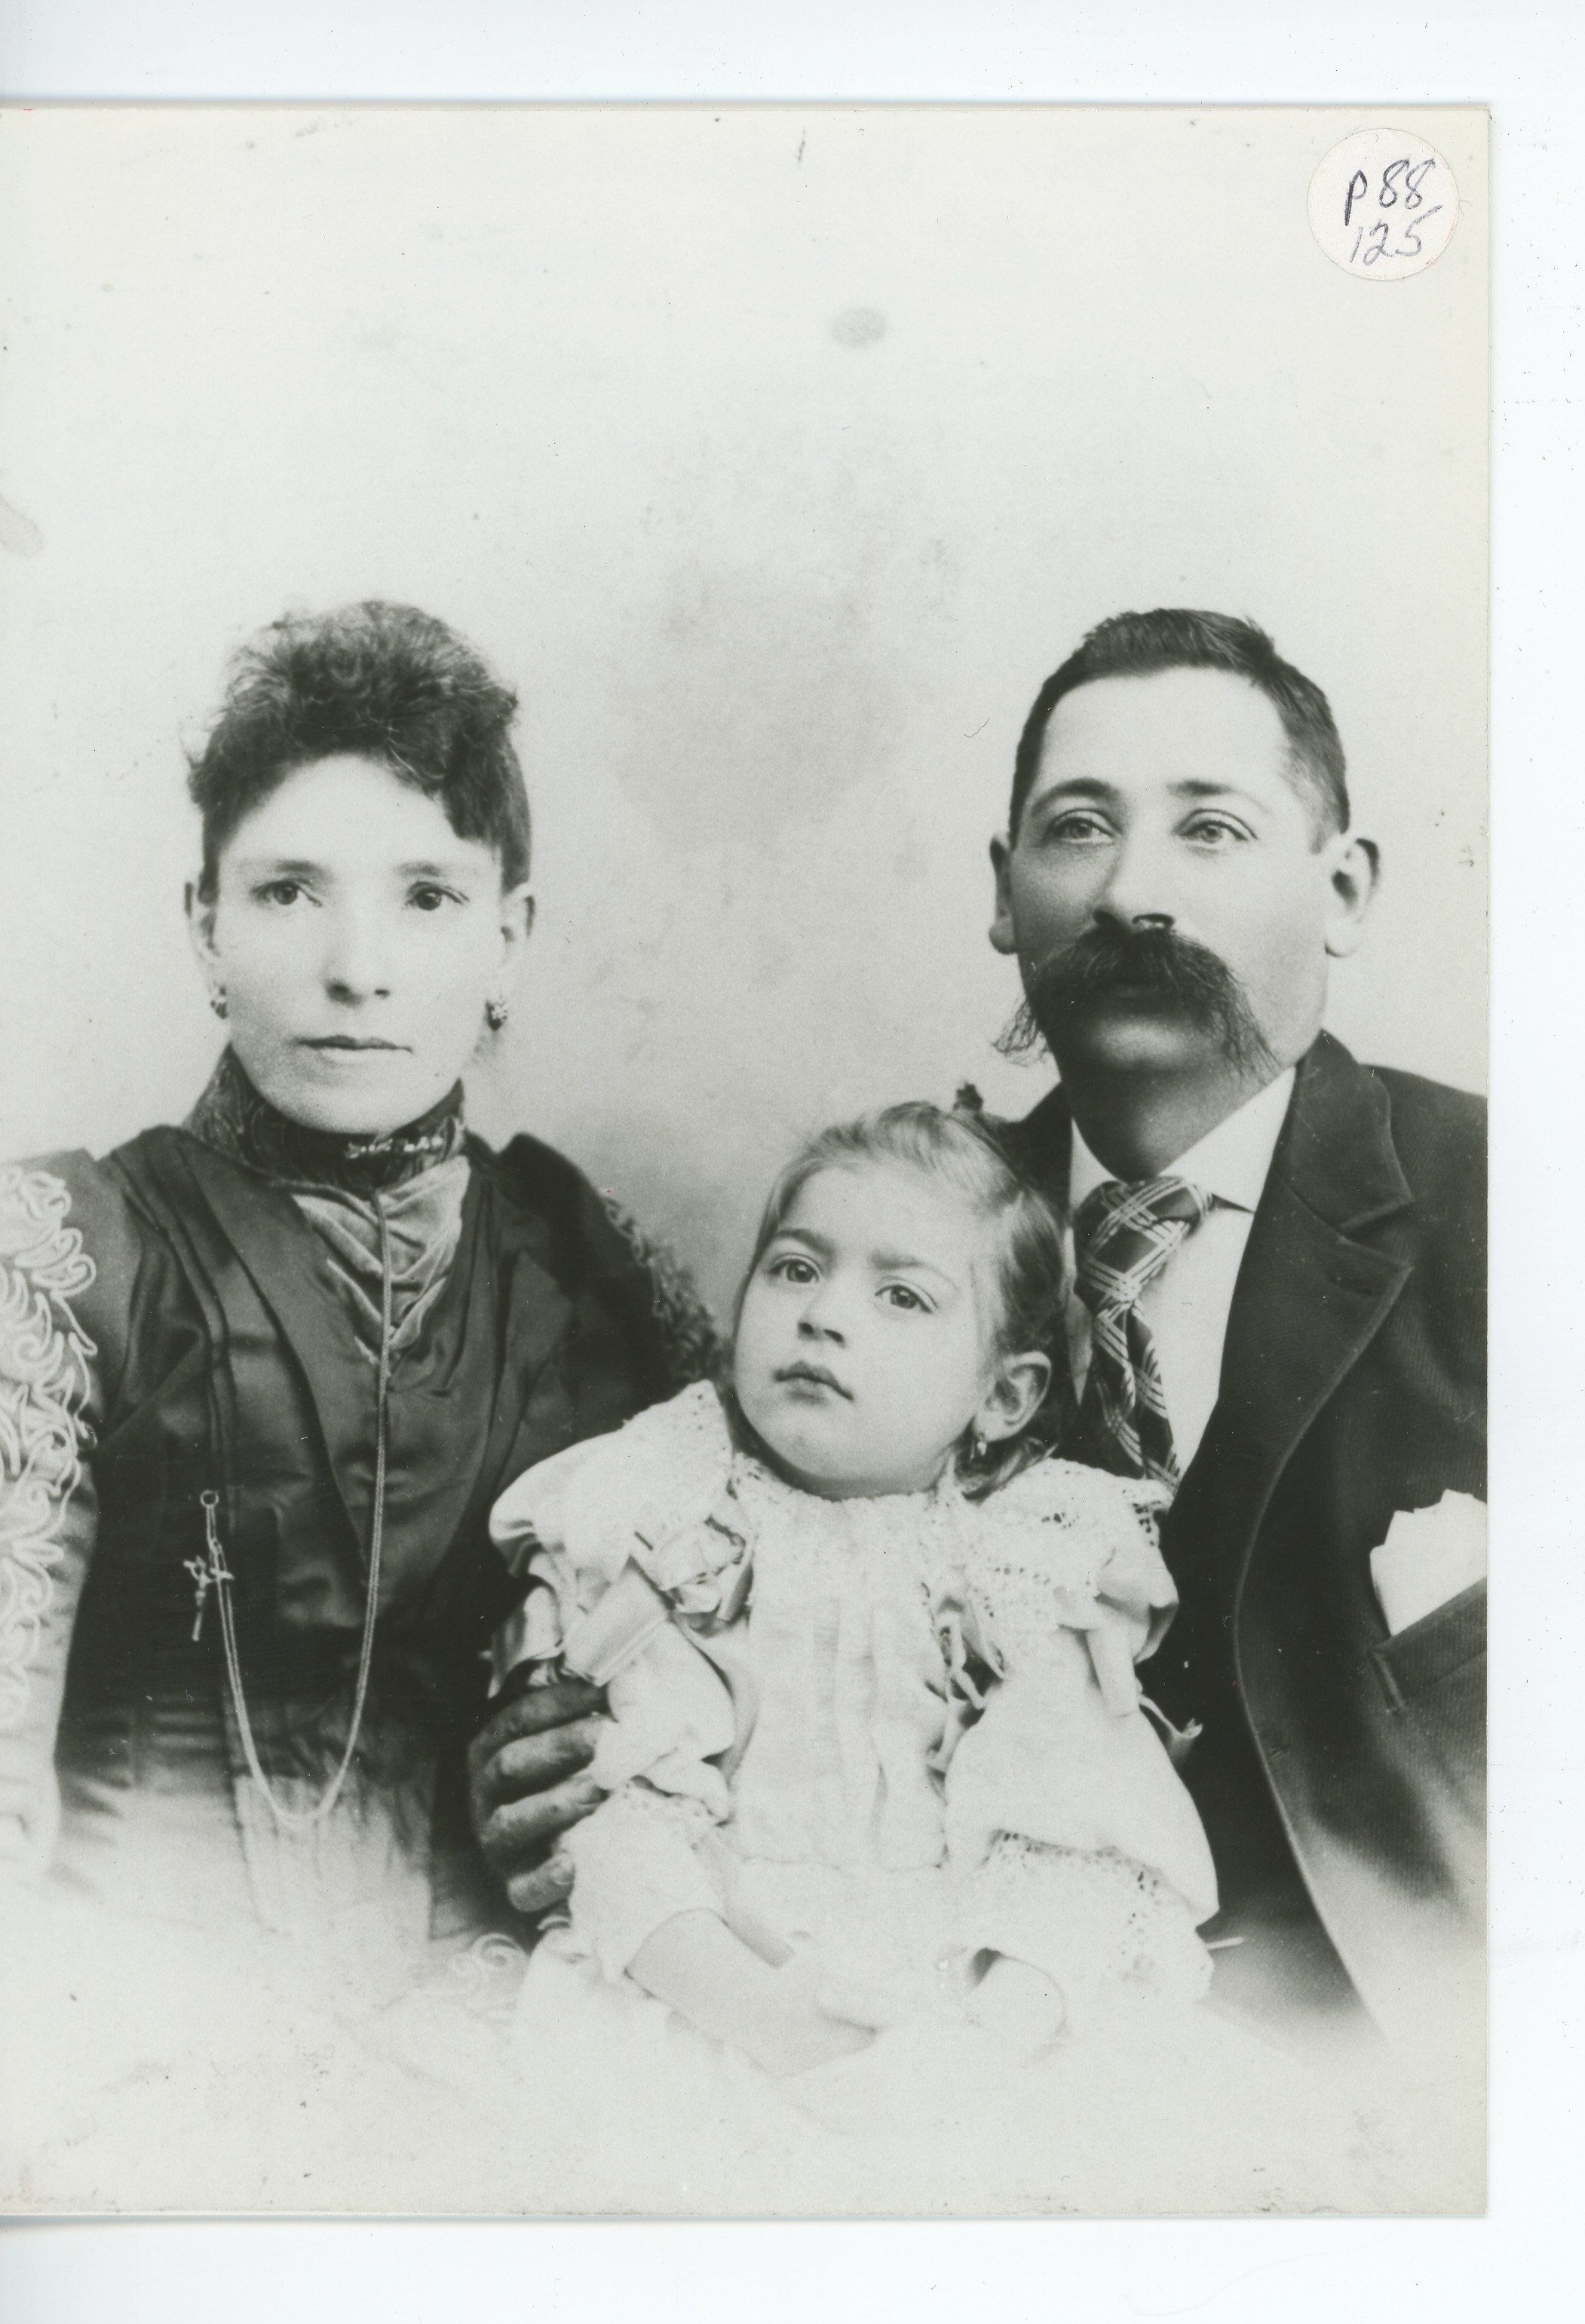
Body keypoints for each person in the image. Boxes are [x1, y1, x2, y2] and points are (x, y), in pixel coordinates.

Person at [471, 609, 1485, 2113]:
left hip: (1408, 2059)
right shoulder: (898, 1241)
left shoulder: (1514, 1209)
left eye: (1210, 828)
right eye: (1077, 829)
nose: (1133, 890)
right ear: (1003, 895)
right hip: (931, 2036)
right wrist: (542, 1744)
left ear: (1340, 890)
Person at [0, 600, 710, 2203]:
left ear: (509, 937)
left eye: (427, 897)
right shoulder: (63, 1255)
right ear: (202, 927)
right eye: (288, 891)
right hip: (124, 2060)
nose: (355, 967)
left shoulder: (597, 1278)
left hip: (511, 2061)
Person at [478, 1104, 1410, 2212]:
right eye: (792, 1271)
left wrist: (988, 2035)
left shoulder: (1029, 1564)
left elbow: (1076, 1842)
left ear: (1003, 1394)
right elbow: (615, 1813)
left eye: (900, 1296)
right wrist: (763, 2019)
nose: (823, 1318)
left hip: (965, 2001)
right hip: (718, 1984)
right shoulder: (668, 1514)